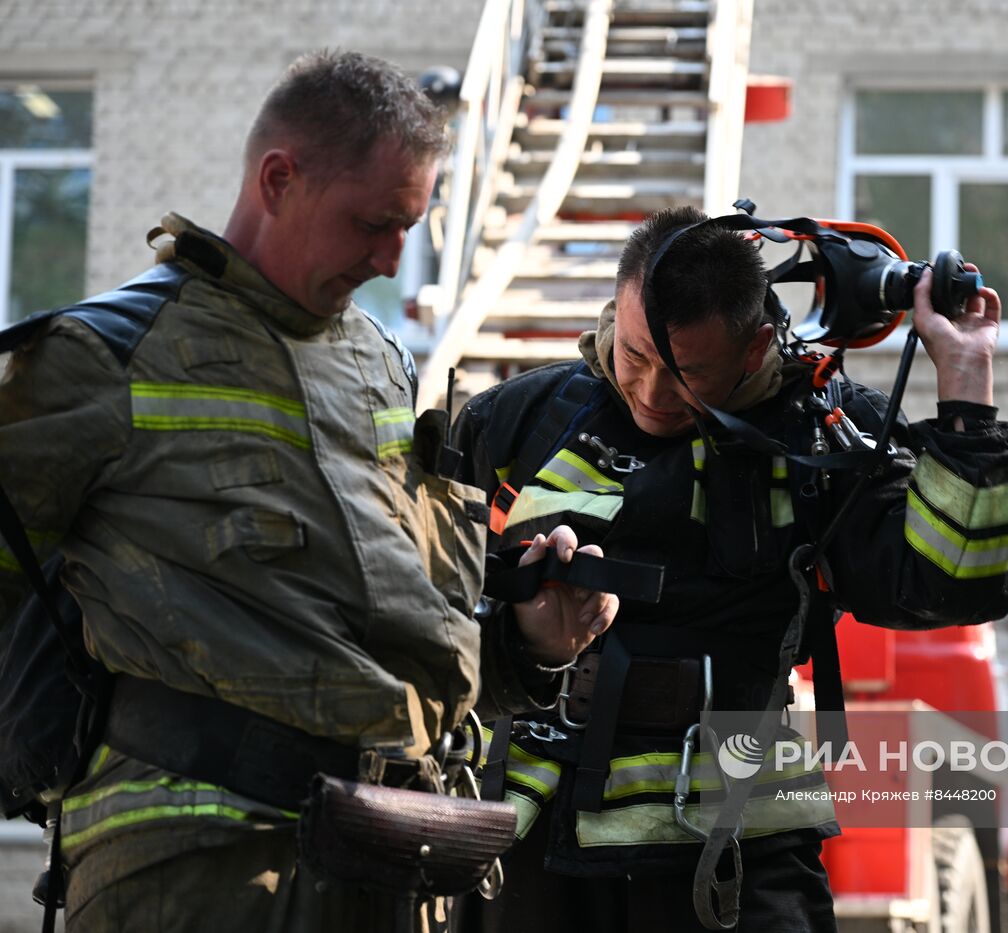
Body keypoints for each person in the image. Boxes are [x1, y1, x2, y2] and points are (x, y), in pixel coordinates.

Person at [0, 50, 618, 932]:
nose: (391, 257)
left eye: (412, 225)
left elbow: (391, 634)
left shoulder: (380, 364)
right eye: (372, 223)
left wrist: (527, 642)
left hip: (390, 860)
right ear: (279, 179)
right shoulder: (99, 359)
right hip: (195, 874)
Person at [449, 206, 1008, 931]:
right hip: (535, 844)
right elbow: (429, 623)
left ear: (755, 345)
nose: (654, 393)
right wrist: (525, 640)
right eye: (634, 356)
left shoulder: (824, 435)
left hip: (738, 848)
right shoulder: (520, 421)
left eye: (688, 372)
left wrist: (966, 391)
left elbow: (953, 583)